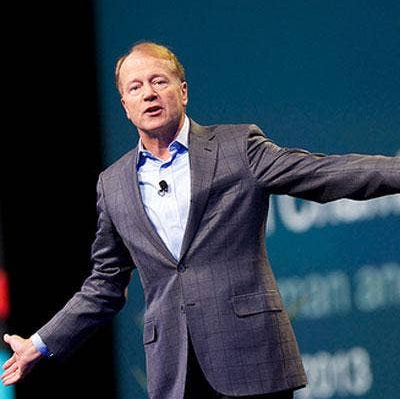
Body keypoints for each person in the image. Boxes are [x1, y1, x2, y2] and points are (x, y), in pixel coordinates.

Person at [1, 41, 399, 399]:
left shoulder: (237, 147)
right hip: (175, 373)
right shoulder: (114, 183)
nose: (149, 93)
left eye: (159, 81)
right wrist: (40, 343)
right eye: (135, 87)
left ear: (183, 91)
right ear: (125, 105)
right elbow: (104, 284)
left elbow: (323, 173)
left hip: (251, 358)